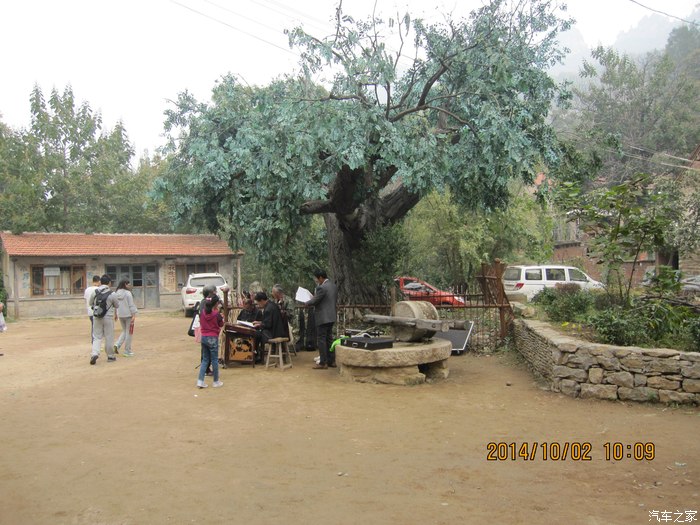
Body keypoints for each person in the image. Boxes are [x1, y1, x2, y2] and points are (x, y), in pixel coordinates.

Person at [305, 269, 338, 369]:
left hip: (323, 317)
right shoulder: (333, 286)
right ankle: (331, 361)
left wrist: (307, 302)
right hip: (331, 316)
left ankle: (323, 362)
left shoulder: (322, 288)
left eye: (317, 278)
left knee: (321, 340)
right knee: (329, 339)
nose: (316, 281)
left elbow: (315, 300)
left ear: (320, 278)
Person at [89, 274, 120, 365]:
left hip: (97, 316)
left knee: (97, 336)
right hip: (108, 317)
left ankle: (94, 353)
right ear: (109, 283)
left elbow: (91, 303)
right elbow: (117, 305)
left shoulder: (95, 292)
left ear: (100, 282)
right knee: (109, 336)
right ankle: (110, 356)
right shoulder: (112, 293)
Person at [196, 294, 224, 389]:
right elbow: (221, 323)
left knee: (205, 359)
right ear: (216, 304)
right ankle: (216, 381)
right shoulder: (216, 314)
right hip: (213, 338)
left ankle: (200, 381)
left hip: (204, 337)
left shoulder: (202, 312)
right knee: (214, 360)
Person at [252, 291, 286, 363]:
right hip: (278, 330)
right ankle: (256, 355)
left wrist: (259, 324)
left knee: (255, 334)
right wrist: (259, 322)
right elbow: (269, 321)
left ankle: (255, 355)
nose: (258, 305)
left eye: (258, 303)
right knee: (257, 333)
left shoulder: (268, 309)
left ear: (261, 301)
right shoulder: (272, 305)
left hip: (273, 333)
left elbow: (268, 324)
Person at [114, 278, 138, 357]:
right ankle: (127, 350)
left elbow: (115, 305)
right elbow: (131, 305)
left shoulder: (116, 293)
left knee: (125, 331)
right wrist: (134, 314)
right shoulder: (128, 293)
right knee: (129, 333)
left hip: (120, 315)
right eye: (128, 284)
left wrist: (116, 314)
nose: (130, 285)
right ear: (125, 284)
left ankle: (117, 344)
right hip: (128, 315)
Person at [84, 275, 101, 342]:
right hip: (96, 310)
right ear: (99, 281)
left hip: (89, 311)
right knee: (97, 327)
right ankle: (95, 341)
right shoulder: (98, 290)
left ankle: (94, 340)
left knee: (94, 326)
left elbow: (86, 300)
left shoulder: (87, 289)